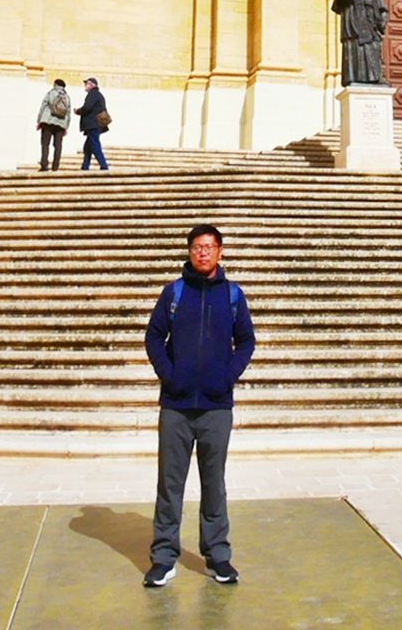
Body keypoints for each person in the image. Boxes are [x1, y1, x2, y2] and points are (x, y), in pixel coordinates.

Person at [143, 223, 255, 589]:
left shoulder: (233, 296)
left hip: (216, 407)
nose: (202, 252)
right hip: (176, 405)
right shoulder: (173, 293)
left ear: (220, 252)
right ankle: (163, 557)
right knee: (170, 484)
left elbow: (247, 342)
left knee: (214, 483)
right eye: (196, 246)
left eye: (209, 246)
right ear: (189, 251)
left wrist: (227, 377)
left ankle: (217, 556)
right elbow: (154, 336)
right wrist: (169, 375)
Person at [36, 78, 70, 171]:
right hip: (61, 123)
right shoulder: (67, 97)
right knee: (58, 145)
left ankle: (44, 164)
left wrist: (39, 121)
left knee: (45, 144)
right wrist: (66, 127)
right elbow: (68, 113)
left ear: (55, 84)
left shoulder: (50, 93)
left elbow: (43, 106)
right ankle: (55, 166)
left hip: (47, 121)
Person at [78, 76, 110, 171]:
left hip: (93, 124)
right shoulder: (99, 95)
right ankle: (85, 166)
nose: (85, 86)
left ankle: (104, 165)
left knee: (95, 145)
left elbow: (87, 107)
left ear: (92, 85)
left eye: (87, 84)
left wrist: (79, 111)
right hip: (96, 124)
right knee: (88, 146)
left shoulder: (93, 94)